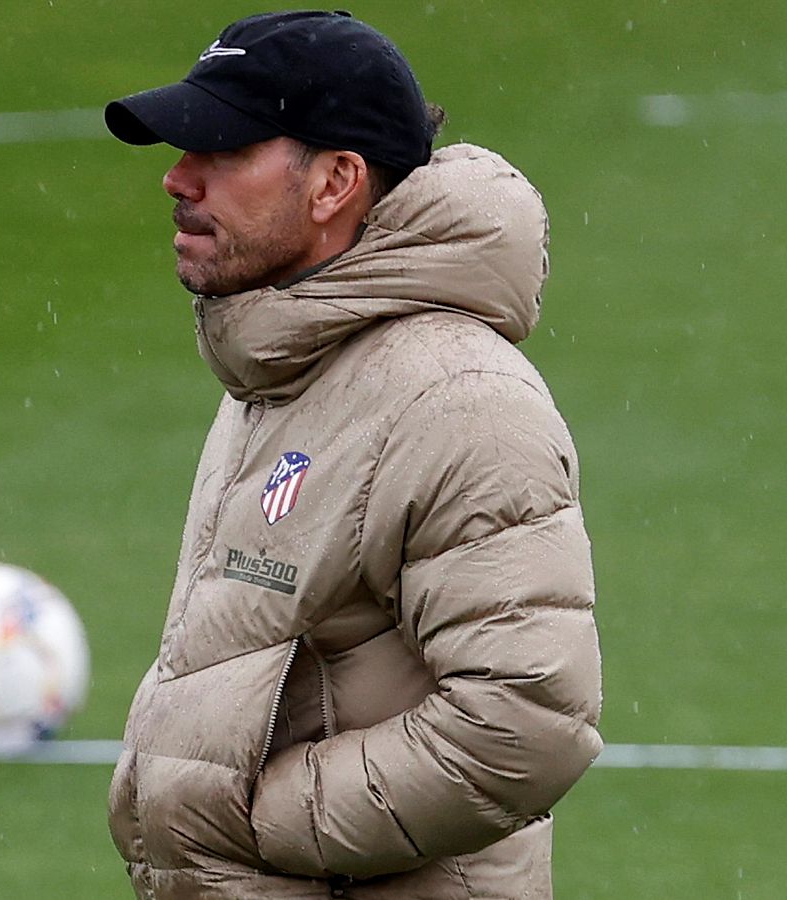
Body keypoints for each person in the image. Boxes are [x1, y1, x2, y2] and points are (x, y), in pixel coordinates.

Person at [101, 11, 603, 899]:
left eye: (221, 150)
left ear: (336, 180)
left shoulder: (459, 400)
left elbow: (526, 724)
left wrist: (252, 820)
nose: (178, 178)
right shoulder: (280, 363)